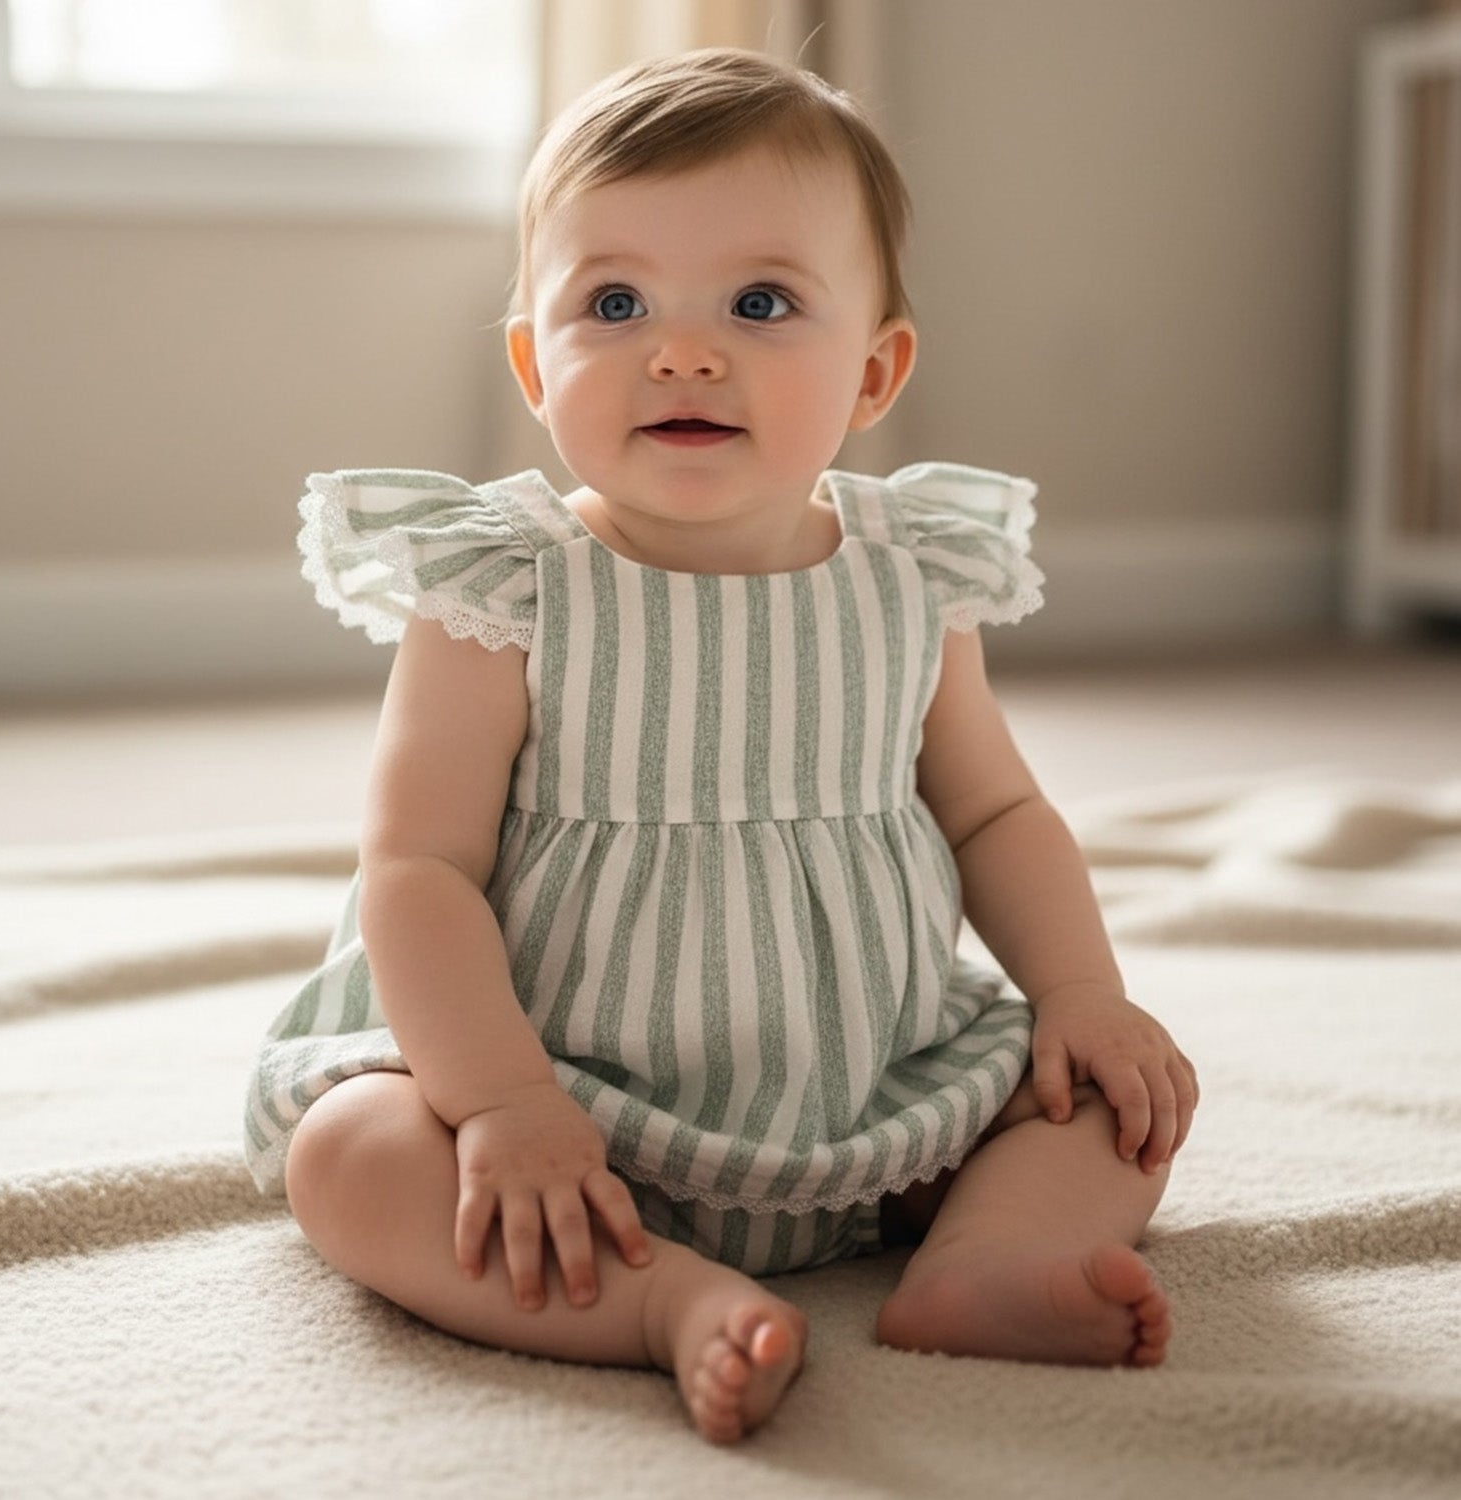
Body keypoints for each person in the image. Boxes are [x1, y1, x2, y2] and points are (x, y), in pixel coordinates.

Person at [244, 47, 1198, 1445]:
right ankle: (657, 1301)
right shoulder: (506, 587)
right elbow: (418, 869)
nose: (681, 350)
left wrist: (1080, 991)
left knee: (1115, 1104)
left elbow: (994, 813)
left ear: (875, 372)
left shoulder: (909, 573)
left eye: (761, 303)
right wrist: (500, 1100)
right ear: (534, 361)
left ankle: (989, 1262)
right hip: (546, 1085)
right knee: (350, 1162)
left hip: (864, 1081)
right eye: (614, 302)